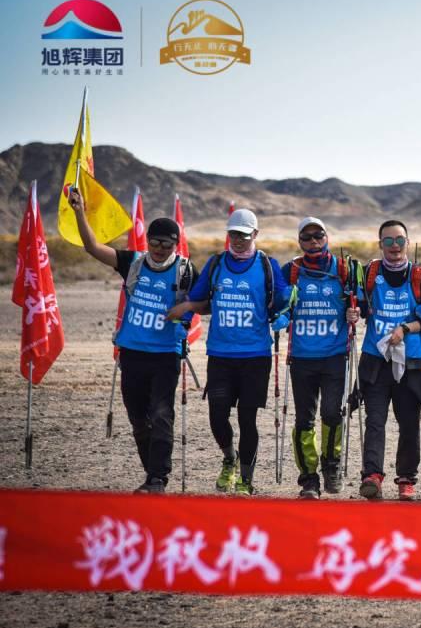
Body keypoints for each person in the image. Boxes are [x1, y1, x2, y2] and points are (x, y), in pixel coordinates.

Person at [69, 188, 194, 493]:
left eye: (167, 244)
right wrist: (79, 212)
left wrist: (187, 307)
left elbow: (207, 301)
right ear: (147, 240)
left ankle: (157, 479)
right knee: (139, 420)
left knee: (162, 415)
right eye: (155, 242)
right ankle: (151, 474)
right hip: (132, 355)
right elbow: (92, 247)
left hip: (165, 355)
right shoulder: (133, 263)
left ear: (176, 244)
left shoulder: (186, 270)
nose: (160, 249)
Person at [168, 207, 287, 495]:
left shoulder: (267, 265)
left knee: (247, 419)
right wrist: (184, 321)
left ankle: (246, 480)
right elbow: (197, 298)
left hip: (255, 356)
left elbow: (283, 300)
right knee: (217, 415)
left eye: (244, 235)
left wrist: (283, 314)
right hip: (220, 355)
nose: (238, 240)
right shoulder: (216, 264)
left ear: (255, 234)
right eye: (234, 234)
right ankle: (229, 457)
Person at [276, 217, 361, 499]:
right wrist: (282, 314)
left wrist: (355, 312)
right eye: (307, 237)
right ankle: (309, 479)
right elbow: (279, 305)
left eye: (318, 235)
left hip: (335, 355)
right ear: (299, 241)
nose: (313, 241)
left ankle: (331, 466)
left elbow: (360, 302)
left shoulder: (344, 269)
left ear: (327, 237)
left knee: (332, 413)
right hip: (301, 357)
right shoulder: (291, 270)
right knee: (304, 419)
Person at [355, 220, 421, 501]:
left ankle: (406, 478)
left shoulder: (420, 275)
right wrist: (354, 312)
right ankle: (372, 476)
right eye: (388, 241)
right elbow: (360, 308)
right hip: (375, 360)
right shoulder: (369, 273)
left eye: (399, 240)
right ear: (380, 244)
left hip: (410, 361)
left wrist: (405, 328)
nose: (394, 246)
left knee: (409, 421)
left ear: (408, 243)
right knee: (375, 420)